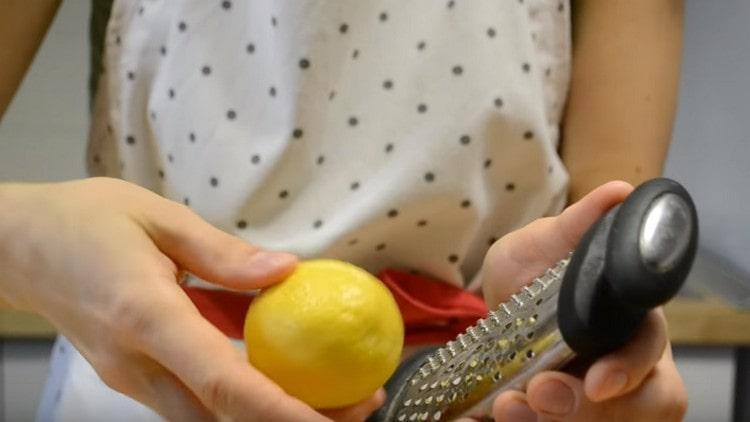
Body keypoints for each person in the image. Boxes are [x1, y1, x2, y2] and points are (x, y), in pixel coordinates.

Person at [0, 1, 686, 421]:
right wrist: (26, 241)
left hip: (479, 397)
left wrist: (580, 348)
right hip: (144, 387)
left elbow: (606, 199)